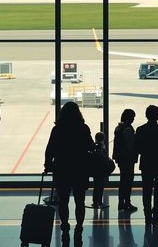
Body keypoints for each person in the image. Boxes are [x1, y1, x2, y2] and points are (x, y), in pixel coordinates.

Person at [44, 102, 94, 242]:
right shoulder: (83, 128)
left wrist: (48, 164)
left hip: (62, 168)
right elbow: (90, 146)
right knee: (80, 200)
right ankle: (79, 226)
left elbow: (50, 149)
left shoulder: (57, 129)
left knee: (63, 201)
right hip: (80, 168)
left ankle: (65, 225)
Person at [135, 105, 158, 225]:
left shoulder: (140, 130)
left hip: (146, 164)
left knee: (146, 191)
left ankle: (147, 216)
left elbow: (137, 148)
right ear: (157, 115)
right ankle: (156, 215)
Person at [112, 108, 138, 213]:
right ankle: (127, 202)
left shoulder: (119, 127)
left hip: (121, 158)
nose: (133, 119)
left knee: (123, 180)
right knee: (128, 181)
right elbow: (130, 145)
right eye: (132, 117)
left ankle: (121, 202)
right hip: (127, 158)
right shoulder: (128, 129)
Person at [91, 132, 109, 208]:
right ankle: (99, 201)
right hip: (101, 169)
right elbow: (105, 157)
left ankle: (95, 201)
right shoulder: (102, 147)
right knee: (100, 185)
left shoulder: (94, 146)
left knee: (96, 185)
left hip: (95, 169)